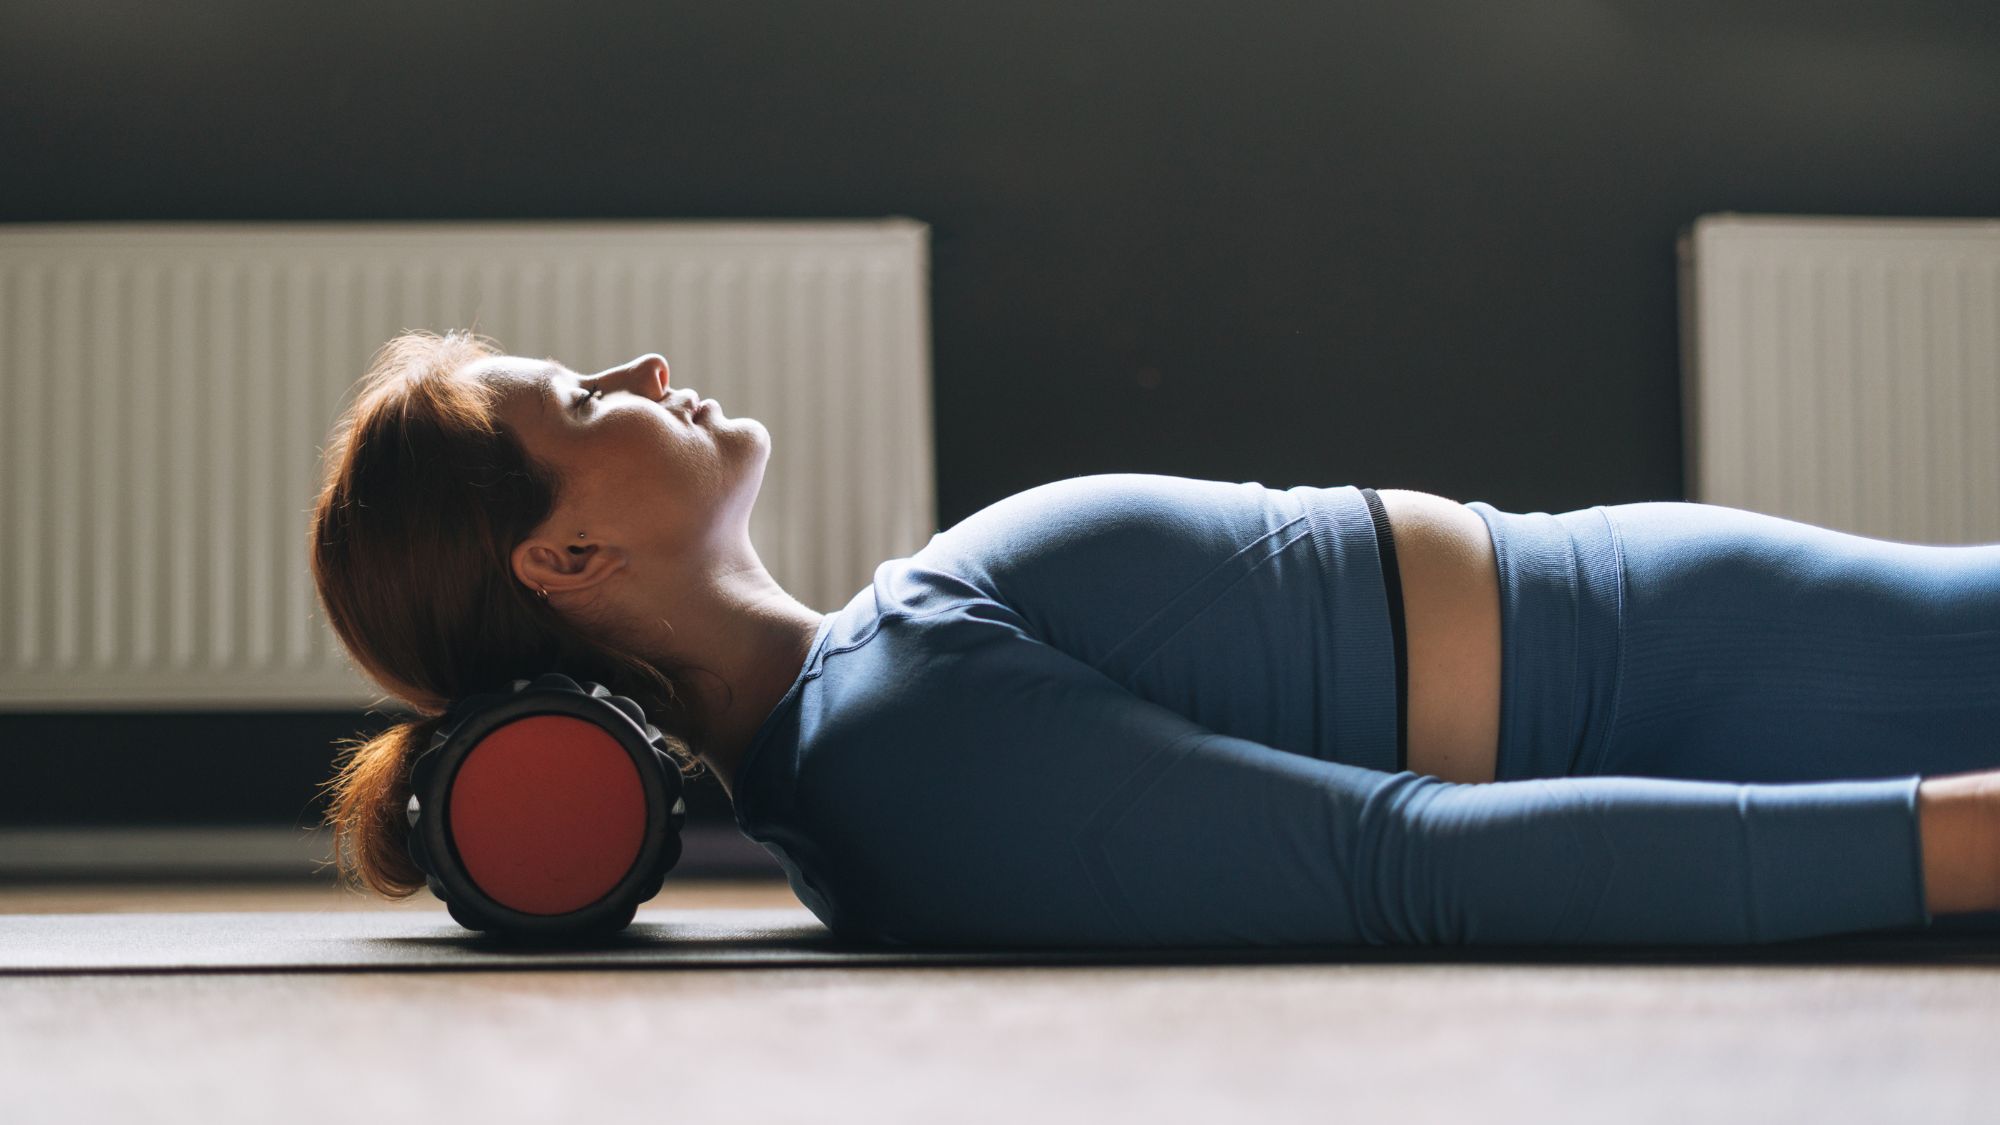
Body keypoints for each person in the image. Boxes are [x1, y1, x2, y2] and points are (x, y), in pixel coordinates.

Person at [311, 329, 2000, 949]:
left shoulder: (867, 706)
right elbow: (1407, 866)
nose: (644, 370)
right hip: (1720, 688)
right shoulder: (894, 758)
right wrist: (1953, 838)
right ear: (566, 553)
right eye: (581, 397)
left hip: (1690, 625)